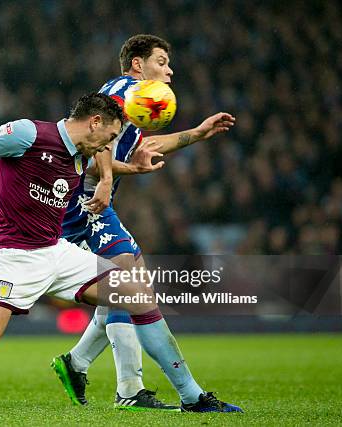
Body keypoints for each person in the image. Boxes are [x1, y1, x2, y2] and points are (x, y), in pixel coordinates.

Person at [0, 92, 240, 414]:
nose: (108, 146)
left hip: (57, 252)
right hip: (13, 257)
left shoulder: (82, 153)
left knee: (136, 295)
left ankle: (192, 398)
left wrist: (127, 171)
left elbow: (106, 162)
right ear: (95, 123)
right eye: (110, 137)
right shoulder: (25, 134)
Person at [52, 34, 239, 412]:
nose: (169, 69)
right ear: (138, 65)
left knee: (129, 289)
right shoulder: (124, 90)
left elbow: (142, 152)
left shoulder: (132, 105)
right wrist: (106, 179)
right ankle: (170, 394)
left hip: (94, 204)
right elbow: (93, 145)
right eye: (161, 61)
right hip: (80, 205)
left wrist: (197, 134)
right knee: (130, 289)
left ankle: (79, 364)